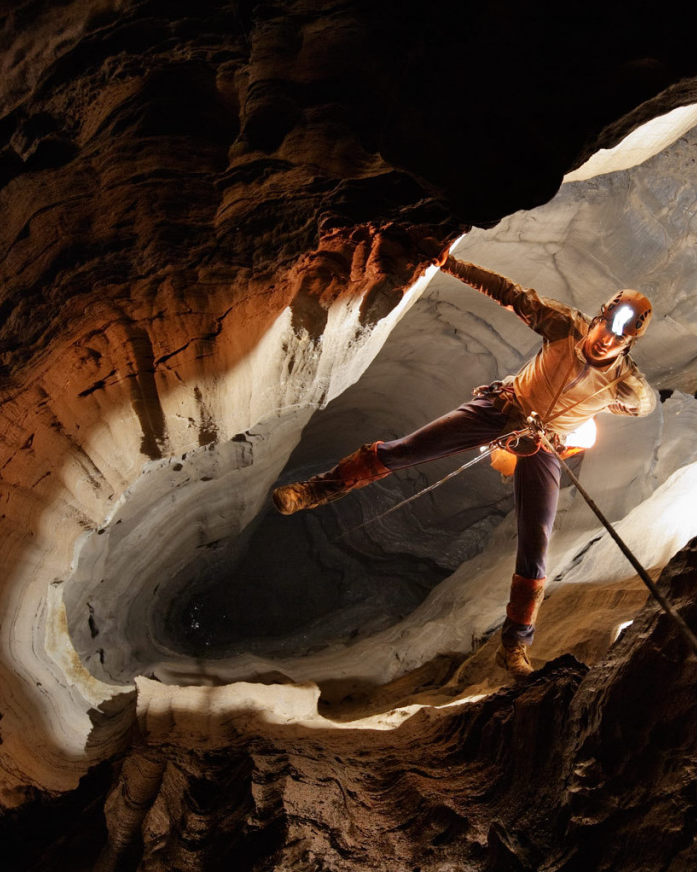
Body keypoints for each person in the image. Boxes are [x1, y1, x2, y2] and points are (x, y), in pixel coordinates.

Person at [271, 251, 656, 680]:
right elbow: (509, 294)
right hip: (502, 407)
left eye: (619, 338)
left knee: (536, 544)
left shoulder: (626, 381)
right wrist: (447, 263)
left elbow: (642, 405)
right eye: (607, 327)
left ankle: (514, 645)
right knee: (407, 449)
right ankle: (315, 491)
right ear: (599, 318)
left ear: (628, 343)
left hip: (545, 444)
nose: (606, 340)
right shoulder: (563, 324)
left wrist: (585, 416)